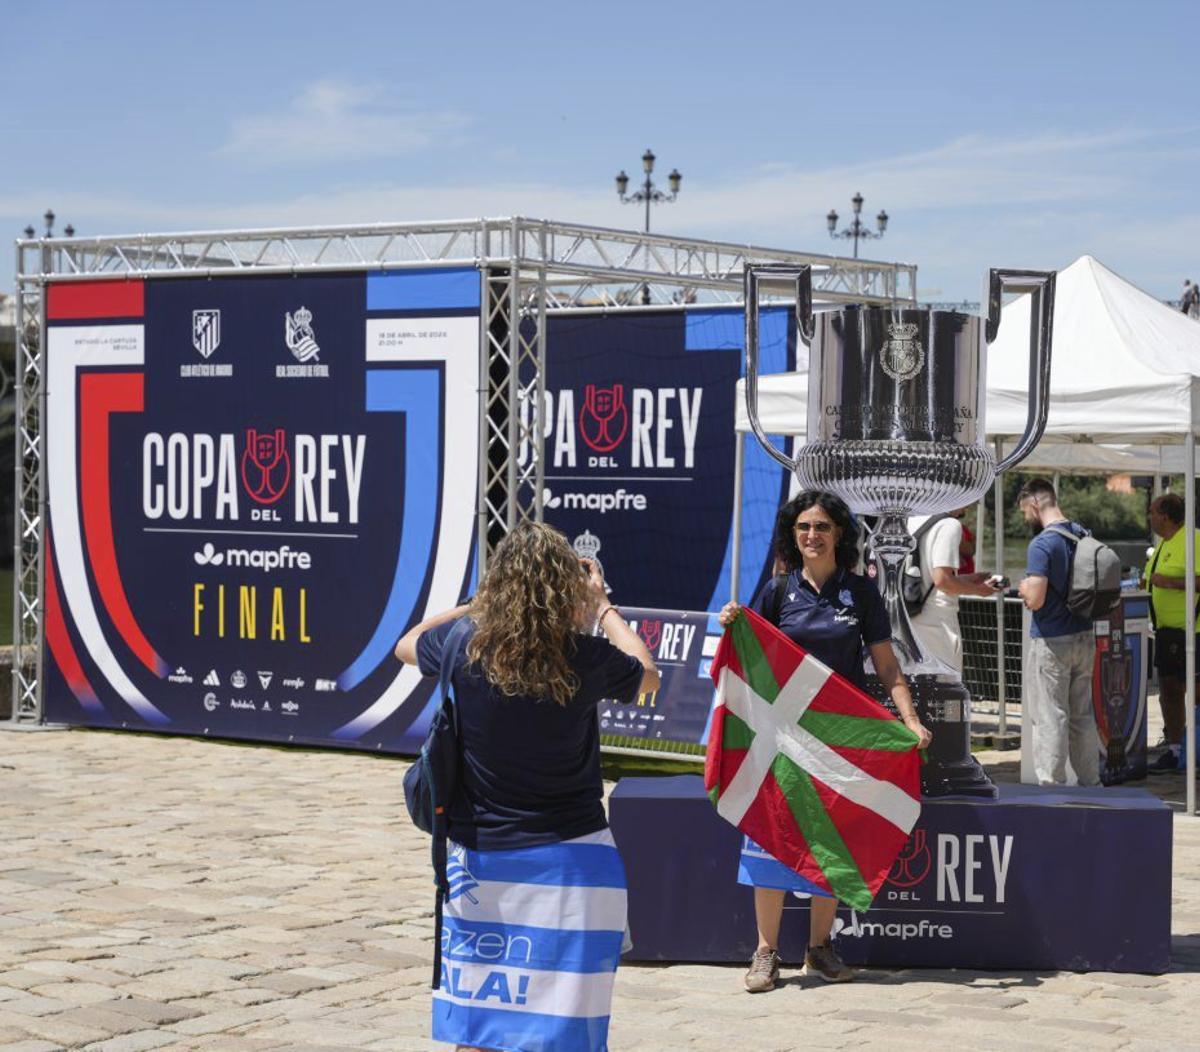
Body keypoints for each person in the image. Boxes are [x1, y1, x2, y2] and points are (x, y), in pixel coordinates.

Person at [395, 522, 660, 1052]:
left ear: (499, 582)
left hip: (482, 858)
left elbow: (405, 645)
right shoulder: (583, 655)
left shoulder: (464, 646)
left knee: (479, 1021)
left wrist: (476, 605)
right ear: (565, 586)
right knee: (567, 1025)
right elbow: (648, 675)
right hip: (573, 858)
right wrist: (602, 606)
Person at [718, 491, 931, 994]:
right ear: (792, 535)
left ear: (839, 534)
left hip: (838, 742)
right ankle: (766, 952)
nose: (811, 535)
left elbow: (886, 664)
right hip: (780, 739)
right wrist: (733, 624)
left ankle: (819, 948)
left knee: (830, 842)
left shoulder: (861, 593)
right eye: (803, 527)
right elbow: (751, 657)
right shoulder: (776, 591)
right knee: (770, 839)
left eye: (821, 527)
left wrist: (910, 720)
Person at [1016, 478, 1100, 787]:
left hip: (1052, 639)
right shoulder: (1083, 534)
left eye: (1025, 511)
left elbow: (1036, 598)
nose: (1026, 517)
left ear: (1035, 503)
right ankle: (1091, 784)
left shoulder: (1042, 544)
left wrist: (1024, 588)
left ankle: (1051, 787)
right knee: (1082, 715)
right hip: (1084, 635)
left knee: (1050, 715)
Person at [907, 508, 1000, 674]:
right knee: (946, 682)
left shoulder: (911, 520)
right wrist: (979, 590)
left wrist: (967, 579)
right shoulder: (949, 525)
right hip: (938, 623)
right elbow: (942, 580)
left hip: (909, 616)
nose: (966, 507)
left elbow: (931, 578)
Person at [1145, 493, 1200, 773]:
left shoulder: (1194, 539)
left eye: (1152, 512)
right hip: (1166, 633)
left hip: (1194, 630)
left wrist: (1168, 582)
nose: (1149, 517)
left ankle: (1195, 750)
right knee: (1168, 691)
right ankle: (1175, 749)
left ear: (1165, 516)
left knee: (1196, 692)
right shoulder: (1164, 544)